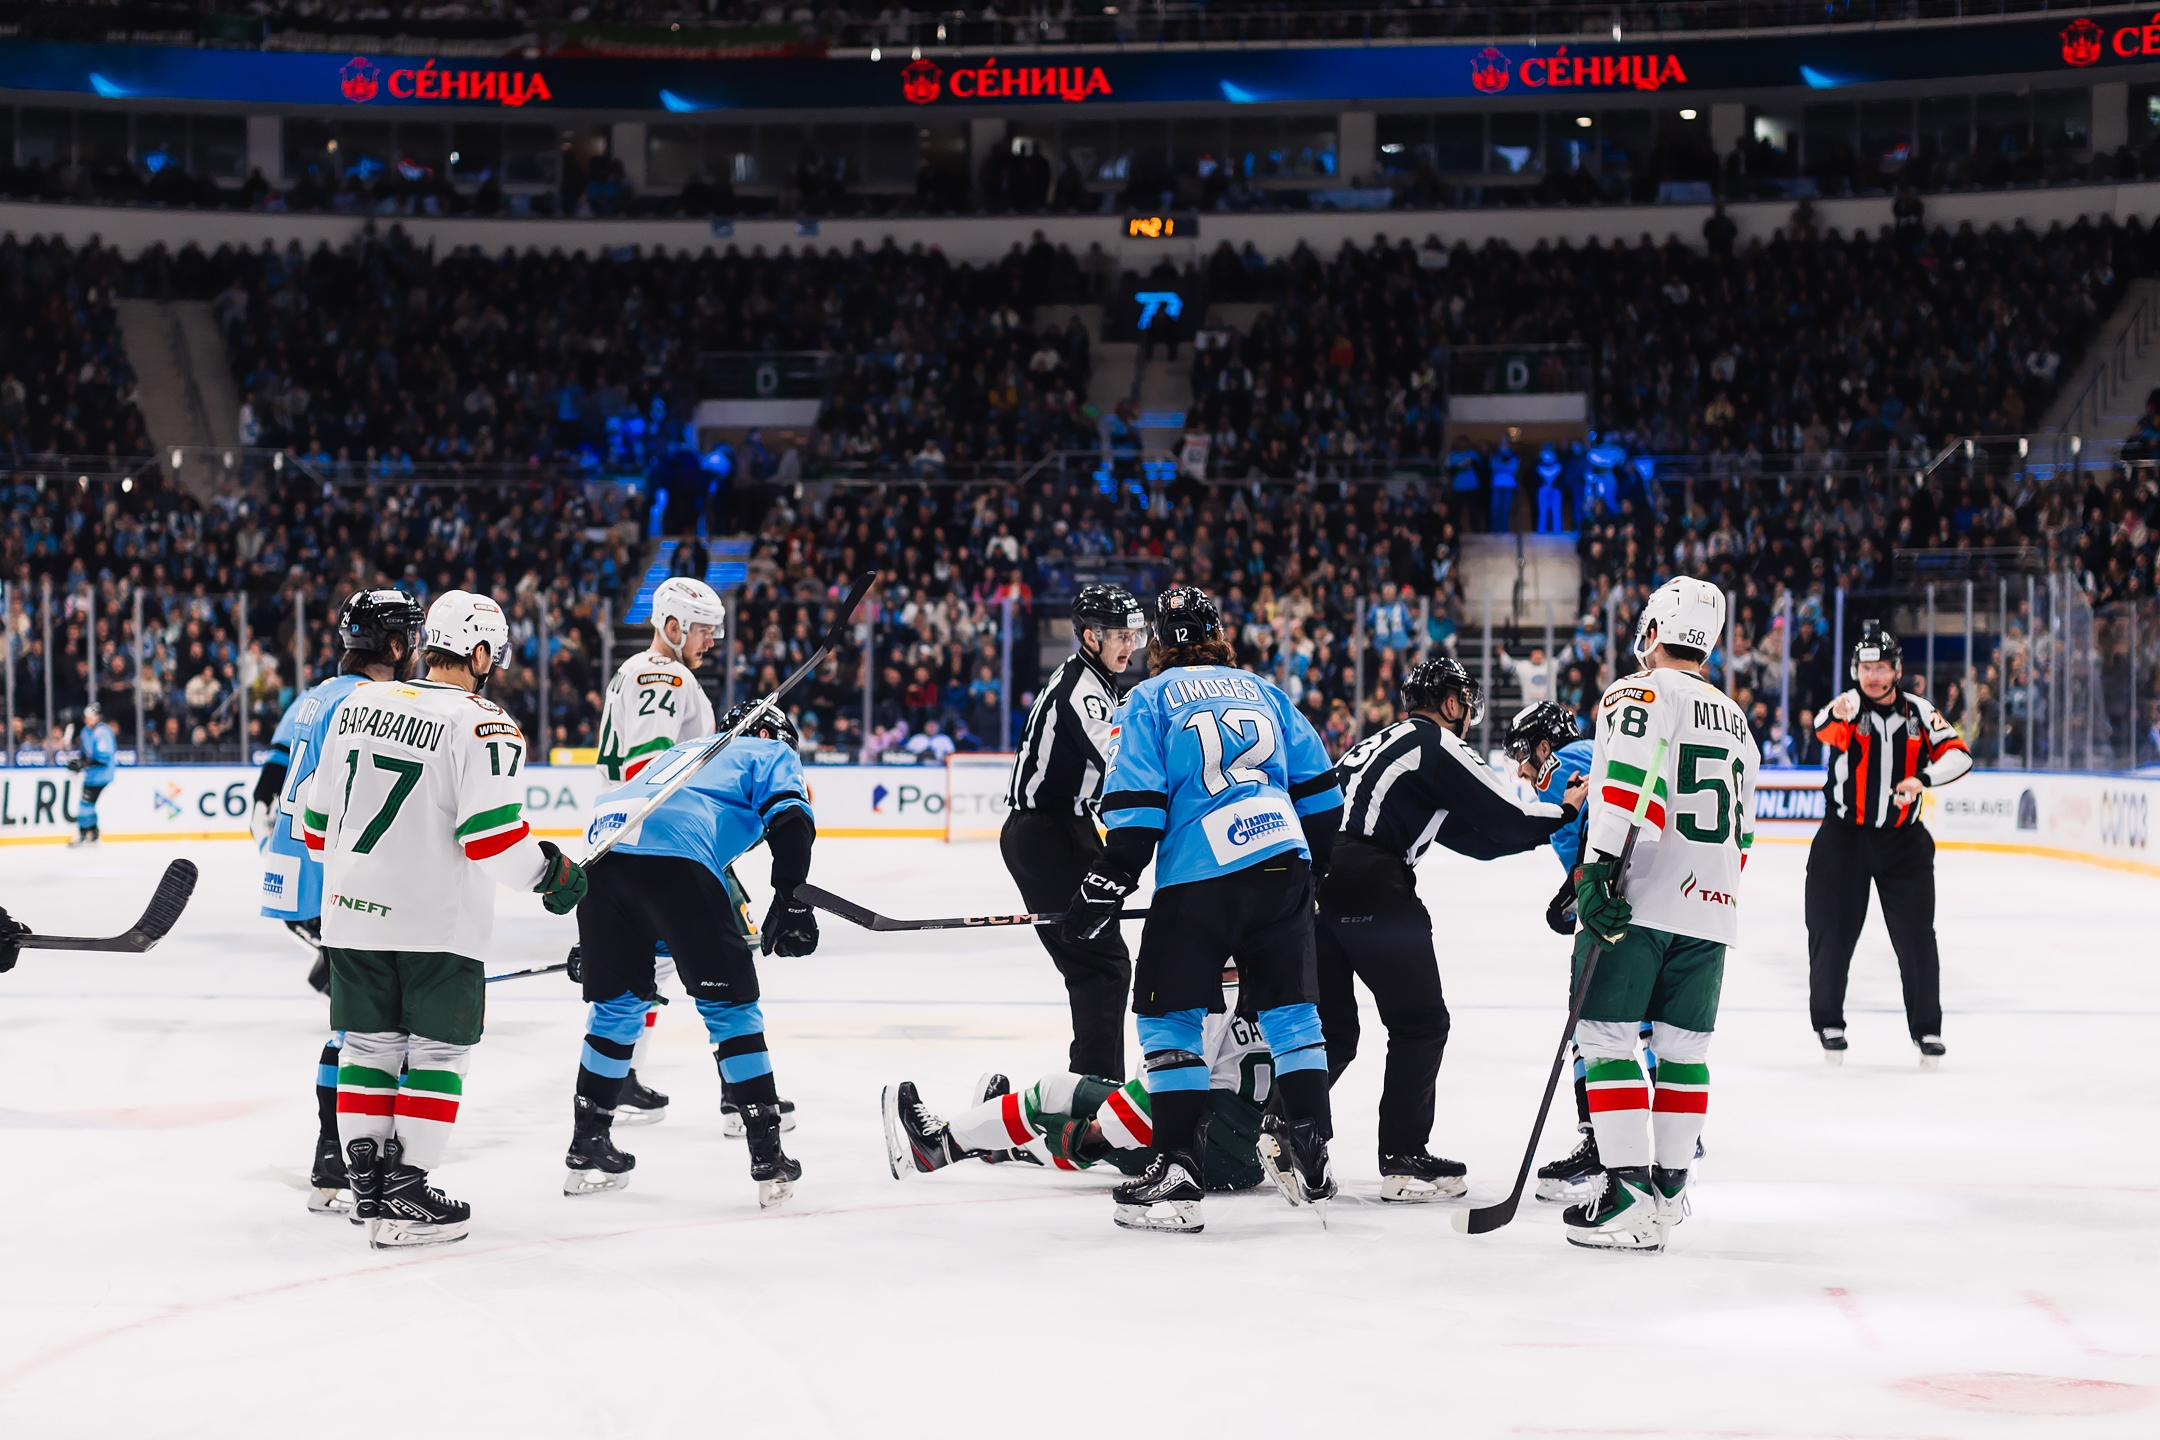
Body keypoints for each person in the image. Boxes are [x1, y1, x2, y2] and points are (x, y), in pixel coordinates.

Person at [303, 589, 589, 1248]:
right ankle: (407, 1192)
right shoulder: (484, 723)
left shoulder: (356, 706)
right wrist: (552, 875)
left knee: (367, 1048)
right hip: (435, 926)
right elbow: (492, 839)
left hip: (350, 918)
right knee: (438, 1052)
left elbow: (316, 827)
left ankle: (369, 1188)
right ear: (480, 653)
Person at [1065, 584, 1345, 1233]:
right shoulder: (1265, 692)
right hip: (1284, 861)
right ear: (1220, 635)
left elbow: (1137, 806)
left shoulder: (1148, 698)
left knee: (1169, 1017)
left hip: (1202, 873)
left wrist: (1108, 881)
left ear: (1159, 644)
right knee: (1292, 1013)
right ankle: (1311, 1148)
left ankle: (1175, 1172)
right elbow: (1323, 796)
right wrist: (1312, 873)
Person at [1317, 659, 1582, 1201]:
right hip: (1371, 878)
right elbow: (1506, 818)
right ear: (1452, 703)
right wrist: (1563, 812)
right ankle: (1403, 1159)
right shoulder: (1434, 743)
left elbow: (1477, 840)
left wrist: (1532, 832)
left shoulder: (1381, 745)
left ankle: (1286, 1128)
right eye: (1465, 702)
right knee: (1421, 1023)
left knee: (1334, 1031)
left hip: (1316, 880)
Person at [1562, 575, 1757, 1251]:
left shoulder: (1637, 690)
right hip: (1714, 904)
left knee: (1605, 1039)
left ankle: (1626, 1195)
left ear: (1653, 630)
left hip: (1640, 895)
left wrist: (1596, 873)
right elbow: (1745, 835)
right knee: (1683, 1052)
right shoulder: (1739, 722)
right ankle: (1669, 1196)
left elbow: (1623, 787)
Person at [572, 701, 817, 1207]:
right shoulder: (767, 751)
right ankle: (767, 1152)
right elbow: (792, 818)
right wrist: (793, 899)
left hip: (602, 855)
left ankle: (588, 1142)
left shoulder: (683, 752)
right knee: (731, 1008)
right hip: (675, 856)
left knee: (616, 1007)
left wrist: (593, 941)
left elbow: (640, 839)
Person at [254, 589, 426, 1215]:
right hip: (334, 880)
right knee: (378, 1029)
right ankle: (350, 1154)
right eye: (413, 637)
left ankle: (335, 1154)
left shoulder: (316, 695)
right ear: (395, 644)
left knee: (357, 1023)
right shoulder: (372, 703)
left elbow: (277, 774)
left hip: (294, 875)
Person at [590, 576, 762, 1130]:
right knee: (725, 959)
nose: (712, 642)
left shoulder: (637, 671)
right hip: (662, 843)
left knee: (652, 968)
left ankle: (622, 1078)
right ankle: (741, 1095)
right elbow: (651, 768)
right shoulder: (662, 674)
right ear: (673, 626)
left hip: (634, 839)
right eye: (704, 631)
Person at [880, 966, 1269, 1193]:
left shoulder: (1212, 998)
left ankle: (938, 1146)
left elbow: (1160, 1095)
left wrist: (1093, 1132)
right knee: (1099, 1111)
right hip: (1249, 1161)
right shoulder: (1277, 990)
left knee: (1058, 1094)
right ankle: (1005, 1144)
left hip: (1203, 1154)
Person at [1805, 623, 1970, 1067]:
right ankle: (1829, 1022)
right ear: (1855, 671)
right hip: (1844, 838)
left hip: (1903, 842)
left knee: (1917, 938)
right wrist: (1838, 712)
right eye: (1865, 668)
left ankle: (1928, 1029)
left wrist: (1923, 779)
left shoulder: (1919, 712)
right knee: (1830, 931)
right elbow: (1824, 728)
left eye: (1880, 668)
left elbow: (1959, 755)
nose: (1873, 676)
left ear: (1896, 669)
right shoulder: (1848, 707)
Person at [1002, 584, 1147, 1079]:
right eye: (1120, 635)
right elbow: (1118, 766)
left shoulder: (1097, 681)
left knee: (1101, 967)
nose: (1130, 645)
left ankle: (1093, 1089)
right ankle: (1092, 1095)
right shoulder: (1083, 691)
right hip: (1047, 836)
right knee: (1100, 968)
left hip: (1065, 830)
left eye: (1134, 634)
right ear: (1090, 636)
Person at [1506, 700, 1627, 1204]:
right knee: (1642, 1024)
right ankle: (1669, 1132)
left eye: (1523, 756)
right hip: (1640, 902)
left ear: (1543, 745)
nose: (1521, 770)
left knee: (1591, 1025)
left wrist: (1578, 888)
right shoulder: (1592, 754)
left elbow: (1596, 825)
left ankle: (1600, 1144)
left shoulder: (1562, 765)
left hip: (1609, 906)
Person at [65, 703, 117, 846]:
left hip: (101, 776)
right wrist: (79, 762)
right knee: (89, 804)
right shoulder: (85, 731)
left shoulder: (103, 732)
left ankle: (83, 833)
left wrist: (84, 764)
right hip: (90, 776)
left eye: (91, 716)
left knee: (85, 804)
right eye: (86, 717)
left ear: (98, 717)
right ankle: (92, 832)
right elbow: (85, 754)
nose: (87, 719)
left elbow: (103, 758)